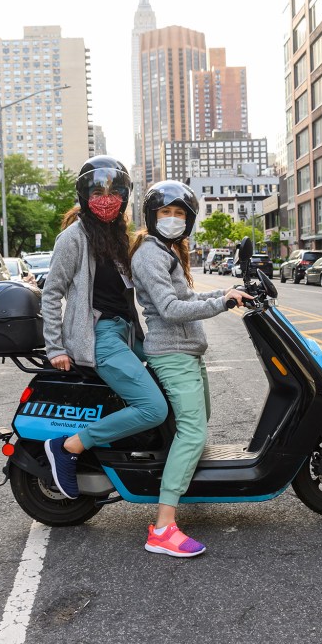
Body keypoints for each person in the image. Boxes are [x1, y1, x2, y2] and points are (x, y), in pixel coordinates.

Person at [130, 180, 252, 558]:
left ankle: (184, 482)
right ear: (152, 217)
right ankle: (164, 527)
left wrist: (225, 294)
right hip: (172, 353)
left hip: (186, 350)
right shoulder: (150, 255)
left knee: (202, 421)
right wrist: (221, 305)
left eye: (179, 213)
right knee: (194, 431)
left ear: (189, 219)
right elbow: (169, 309)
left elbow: (186, 297)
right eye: (165, 212)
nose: (171, 219)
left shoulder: (165, 252)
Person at [41, 155, 168, 503]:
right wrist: (56, 348)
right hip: (99, 336)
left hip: (126, 332)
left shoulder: (116, 236)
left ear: (125, 196)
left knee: (176, 362)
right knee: (152, 408)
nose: (106, 199)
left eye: (114, 192)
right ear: (84, 194)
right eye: (97, 191)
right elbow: (51, 294)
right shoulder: (74, 237)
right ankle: (68, 446)